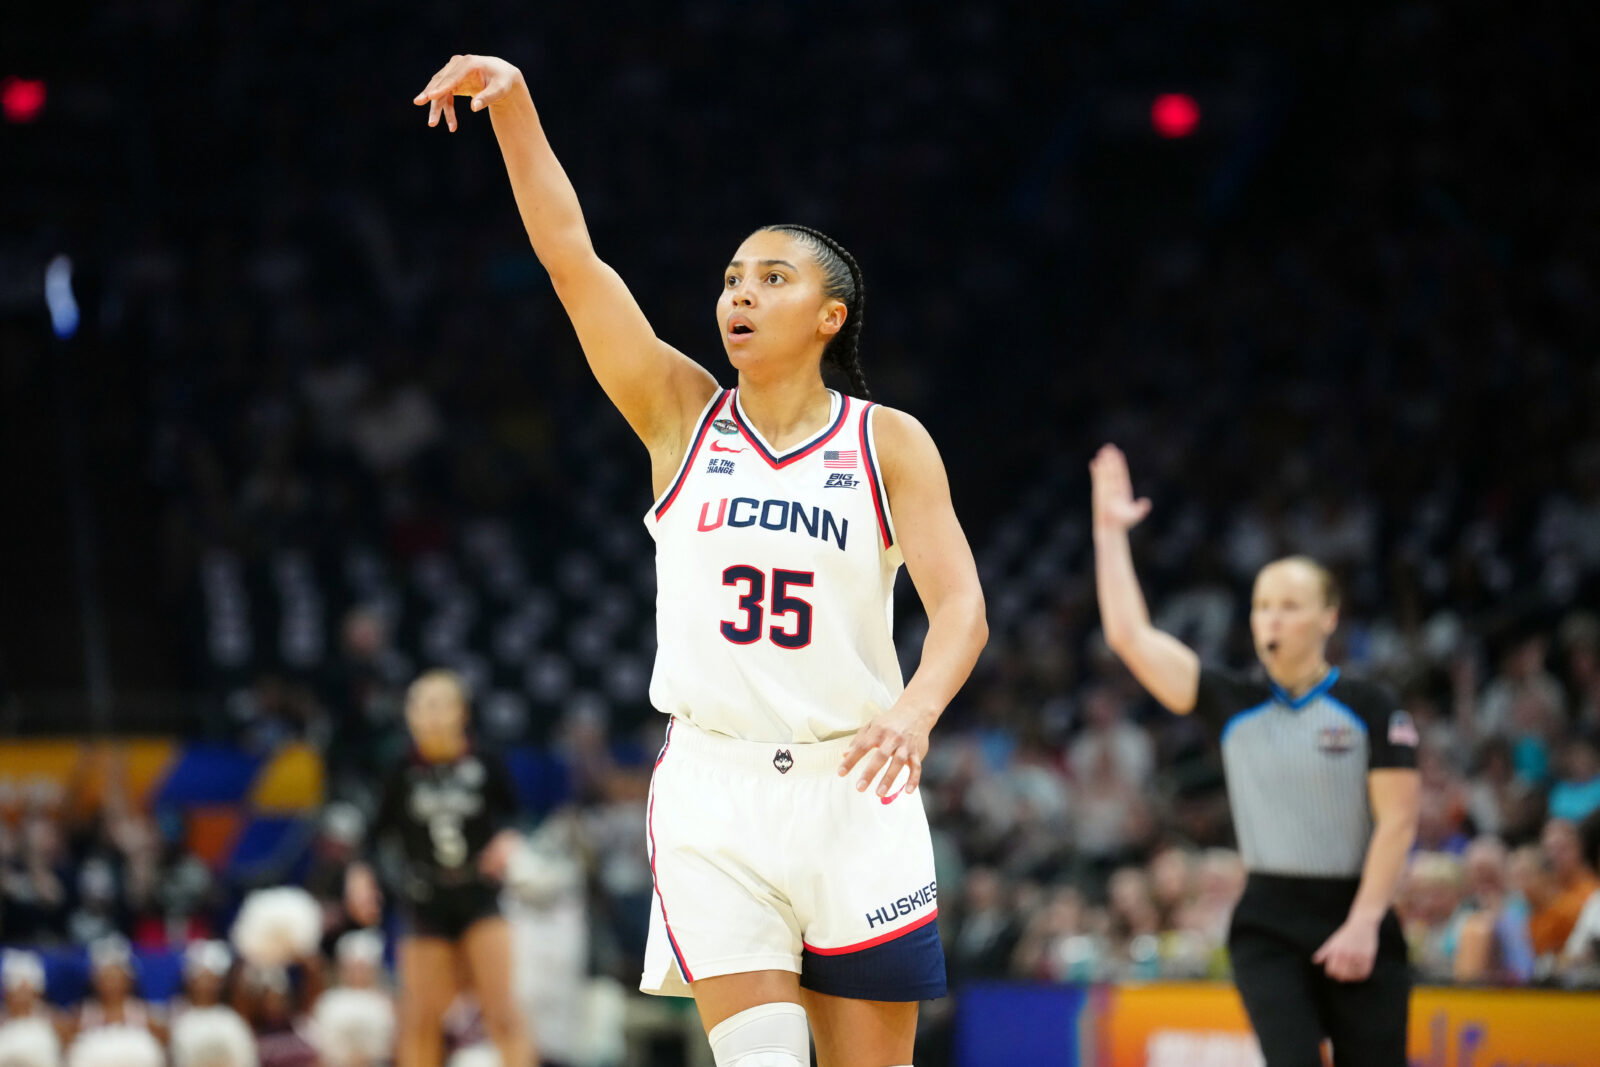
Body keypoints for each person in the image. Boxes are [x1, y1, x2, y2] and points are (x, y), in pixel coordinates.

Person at [411, 54, 987, 1067]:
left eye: (773, 277)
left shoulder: (887, 441)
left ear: (829, 316)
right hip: (714, 792)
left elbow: (961, 609)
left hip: (855, 786)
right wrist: (516, 110)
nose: (740, 294)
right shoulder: (680, 414)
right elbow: (572, 259)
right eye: (730, 278)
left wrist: (916, 709)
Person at [1089, 444, 1420, 1067]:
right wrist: (1109, 531)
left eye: (1290, 605)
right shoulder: (1231, 701)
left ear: (1329, 617)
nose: (1272, 617)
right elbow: (1129, 637)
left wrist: (1364, 922)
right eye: (1263, 604)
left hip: (1360, 908)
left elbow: (1398, 822)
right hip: (1267, 923)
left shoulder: (1372, 706)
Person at [344, 670, 534, 1067]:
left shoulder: (485, 761)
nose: (427, 715)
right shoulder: (399, 769)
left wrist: (509, 839)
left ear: (460, 713)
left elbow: (518, 816)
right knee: (420, 1020)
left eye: (437, 704)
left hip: (480, 895)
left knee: (502, 1012)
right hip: (424, 899)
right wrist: (360, 876)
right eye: (418, 706)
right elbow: (372, 836)